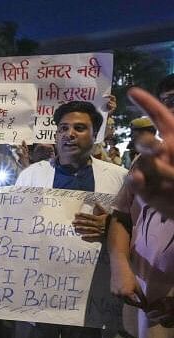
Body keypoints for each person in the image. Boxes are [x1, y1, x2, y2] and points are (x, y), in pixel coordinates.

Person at [15, 100, 127, 338]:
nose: (69, 135)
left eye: (79, 128)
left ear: (95, 134)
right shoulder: (31, 176)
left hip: (93, 300)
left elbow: (141, 231)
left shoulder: (119, 179)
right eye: (63, 128)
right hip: (40, 295)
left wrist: (113, 228)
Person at [108, 85, 174, 338]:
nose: (168, 110)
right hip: (141, 306)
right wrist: (119, 265)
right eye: (164, 102)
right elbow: (123, 216)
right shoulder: (145, 160)